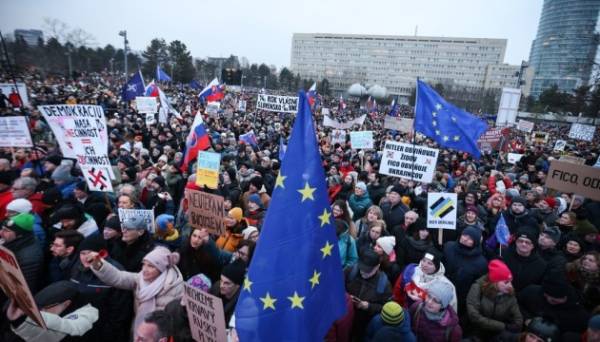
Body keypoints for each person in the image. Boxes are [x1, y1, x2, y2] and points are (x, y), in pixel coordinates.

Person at [87, 246, 184, 332]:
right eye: (144, 264)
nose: (144, 269)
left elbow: (176, 322)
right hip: (139, 330)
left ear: (162, 269)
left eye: (151, 266)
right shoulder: (140, 278)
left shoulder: (176, 288)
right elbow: (118, 277)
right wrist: (98, 264)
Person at [71, 233, 133, 341]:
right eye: (82, 253)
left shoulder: (116, 272)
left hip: (102, 330)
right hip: (80, 326)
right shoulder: (76, 268)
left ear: (101, 254)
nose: (85, 257)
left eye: (89, 253)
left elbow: (120, 309)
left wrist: (108, 333)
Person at [5, 281, 99, 342]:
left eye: (44, 308)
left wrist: (25, 320)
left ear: (66, 303)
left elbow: (68, 329)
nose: (41, 312)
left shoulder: (89, 313)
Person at [518, 272, 590, 337]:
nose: (549, 300)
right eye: (547, 295)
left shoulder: (580, 316)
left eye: (554, 299)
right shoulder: (531, 291)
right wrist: (526, 318)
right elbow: (517, 305)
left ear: (566, 296)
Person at [466, 259, 523, 340]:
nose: (510, 286)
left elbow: (518, 319)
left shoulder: (509, 292)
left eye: (510, 281)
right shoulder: (477, 288)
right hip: (475, 333)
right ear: (495, 282)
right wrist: (503, 326)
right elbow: (474, 316)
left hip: (497, 336)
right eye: (506, 282)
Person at [344, 248, 393, 339]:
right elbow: (337, 289)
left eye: (368, 270)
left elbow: (386, 308)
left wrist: (368, 306)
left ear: (377, 266)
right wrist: (346, 297)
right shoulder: (350, 271)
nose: (363, 272)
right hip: (345, 317)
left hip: (365, 324)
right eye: (361, 268)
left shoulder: (384, 284)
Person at [393, 250, 458, 312]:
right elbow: (398, 289)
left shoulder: (446, 285)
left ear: (437, 267)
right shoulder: (411, 271)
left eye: (430, 263)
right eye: (424, 260)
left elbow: (451, 310)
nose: (424, 265)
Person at [443, 226, 488, 315]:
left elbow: (478, 285)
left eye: (470, 238)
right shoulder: (449, 247)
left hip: (461, 298)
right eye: (464, 235)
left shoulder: (481, 262)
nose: (465, 239)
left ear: (475, 242)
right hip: (442, 290)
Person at [0, 213, 43, 293]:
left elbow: (22, 290)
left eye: (6, 231)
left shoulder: (29, 258)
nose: (1, 233)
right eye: (2, 229)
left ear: (20, 235)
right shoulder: (12, 241)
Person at [210, 259, 245, 327]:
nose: (221, 285)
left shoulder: (240, 305)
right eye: (221, 280)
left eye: (227, 283)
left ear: (237, 286)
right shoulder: (216, 287)